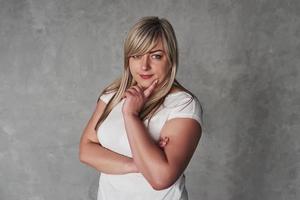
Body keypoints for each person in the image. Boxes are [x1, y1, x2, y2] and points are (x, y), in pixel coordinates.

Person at [79, 16, 204, 200]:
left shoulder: (184, 105)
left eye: (156, 56)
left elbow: (160, 178)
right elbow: (86, 150)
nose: (144, 66)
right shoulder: (113, 95)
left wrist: (131, 115)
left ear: (171, 59)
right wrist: (139, 164)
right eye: (137, 55)